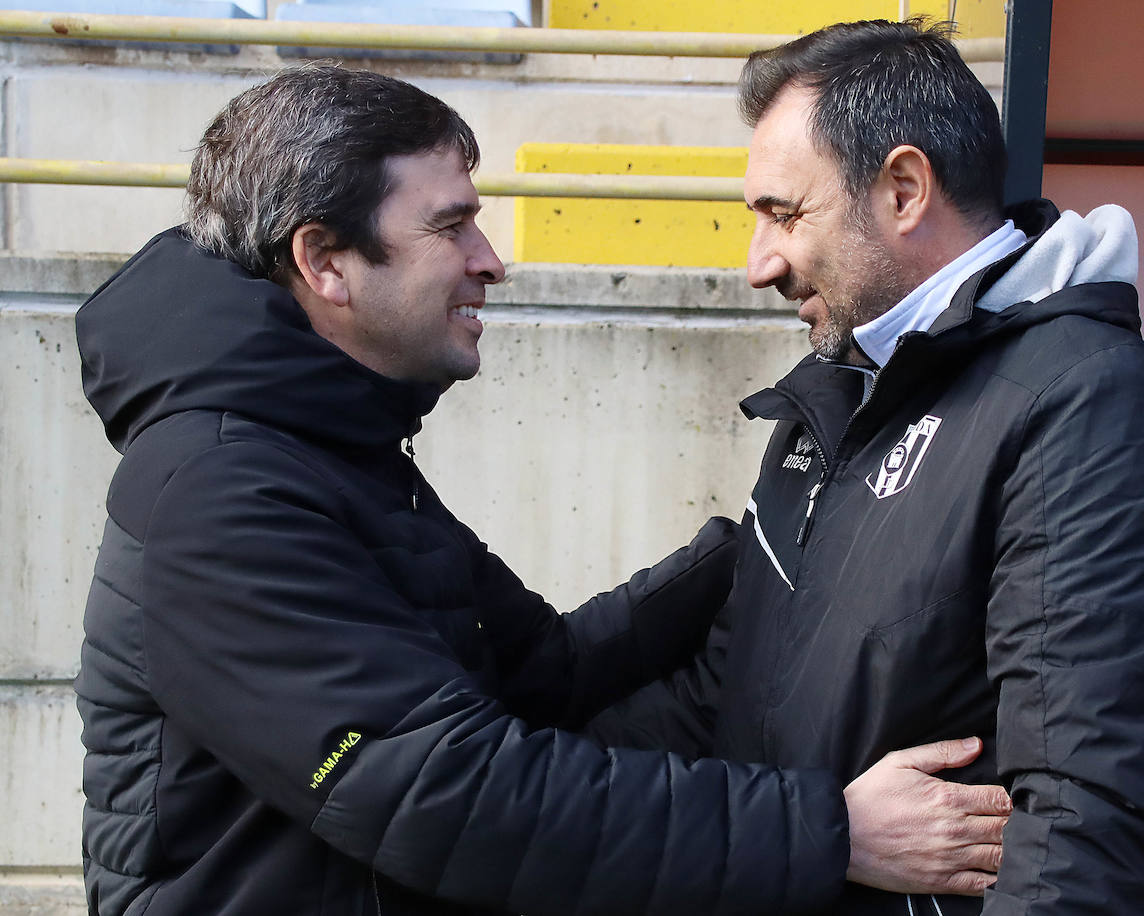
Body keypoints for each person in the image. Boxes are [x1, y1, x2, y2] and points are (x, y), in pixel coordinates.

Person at [73, 64, 1011, 916]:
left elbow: (541, 674)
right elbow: (450, 795)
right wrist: (832, 832)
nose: (490, 258)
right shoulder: (218, 494)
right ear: (324, 262)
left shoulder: (330, 454)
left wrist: (764, 543)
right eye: (449, 225)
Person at [589, 18, 1144, 916]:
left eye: (784, 214)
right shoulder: (837, 394)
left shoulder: (1092, 408)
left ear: (903, 189)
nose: (758, 263)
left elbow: (1092, 833)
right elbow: (730, 696)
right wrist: (515, 778)